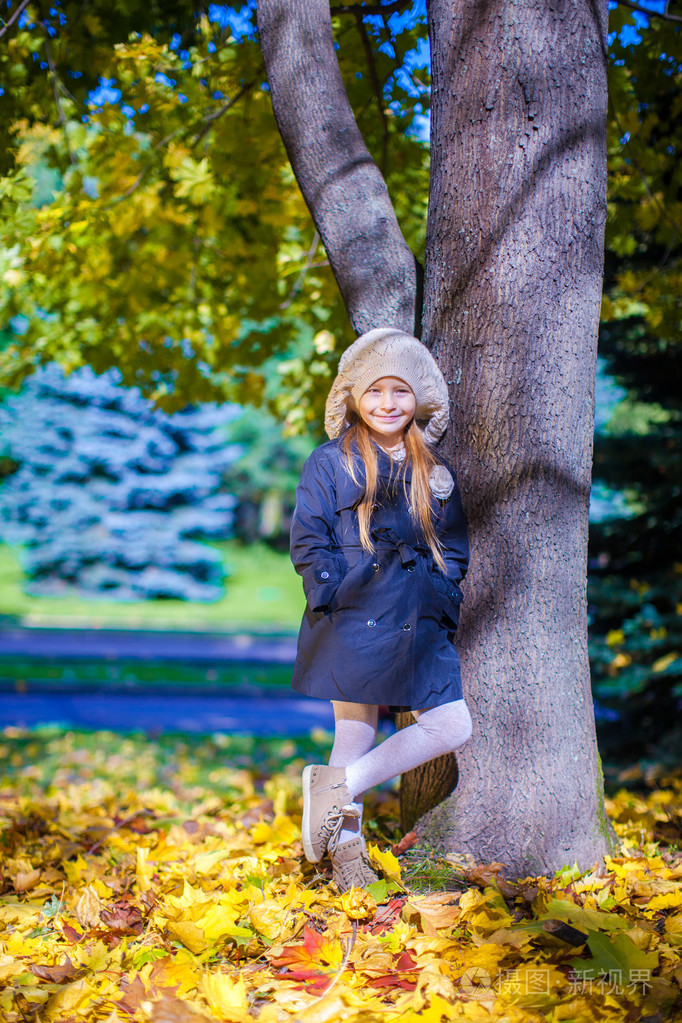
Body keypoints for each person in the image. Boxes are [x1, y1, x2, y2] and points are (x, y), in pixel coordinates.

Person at [289, 327, 472, 891]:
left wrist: (446, 594)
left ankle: (335, 787)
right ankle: (347, 860)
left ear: (417, 399)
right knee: (354, 734)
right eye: (374, 392)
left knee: (451, 724)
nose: (387, 404)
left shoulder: (434, 469)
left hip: (420, 621)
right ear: (353, 398)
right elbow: (308, 539)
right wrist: (332, 593)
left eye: (399, 391)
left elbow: (455, 545)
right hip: (354, 616)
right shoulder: (331, 462)